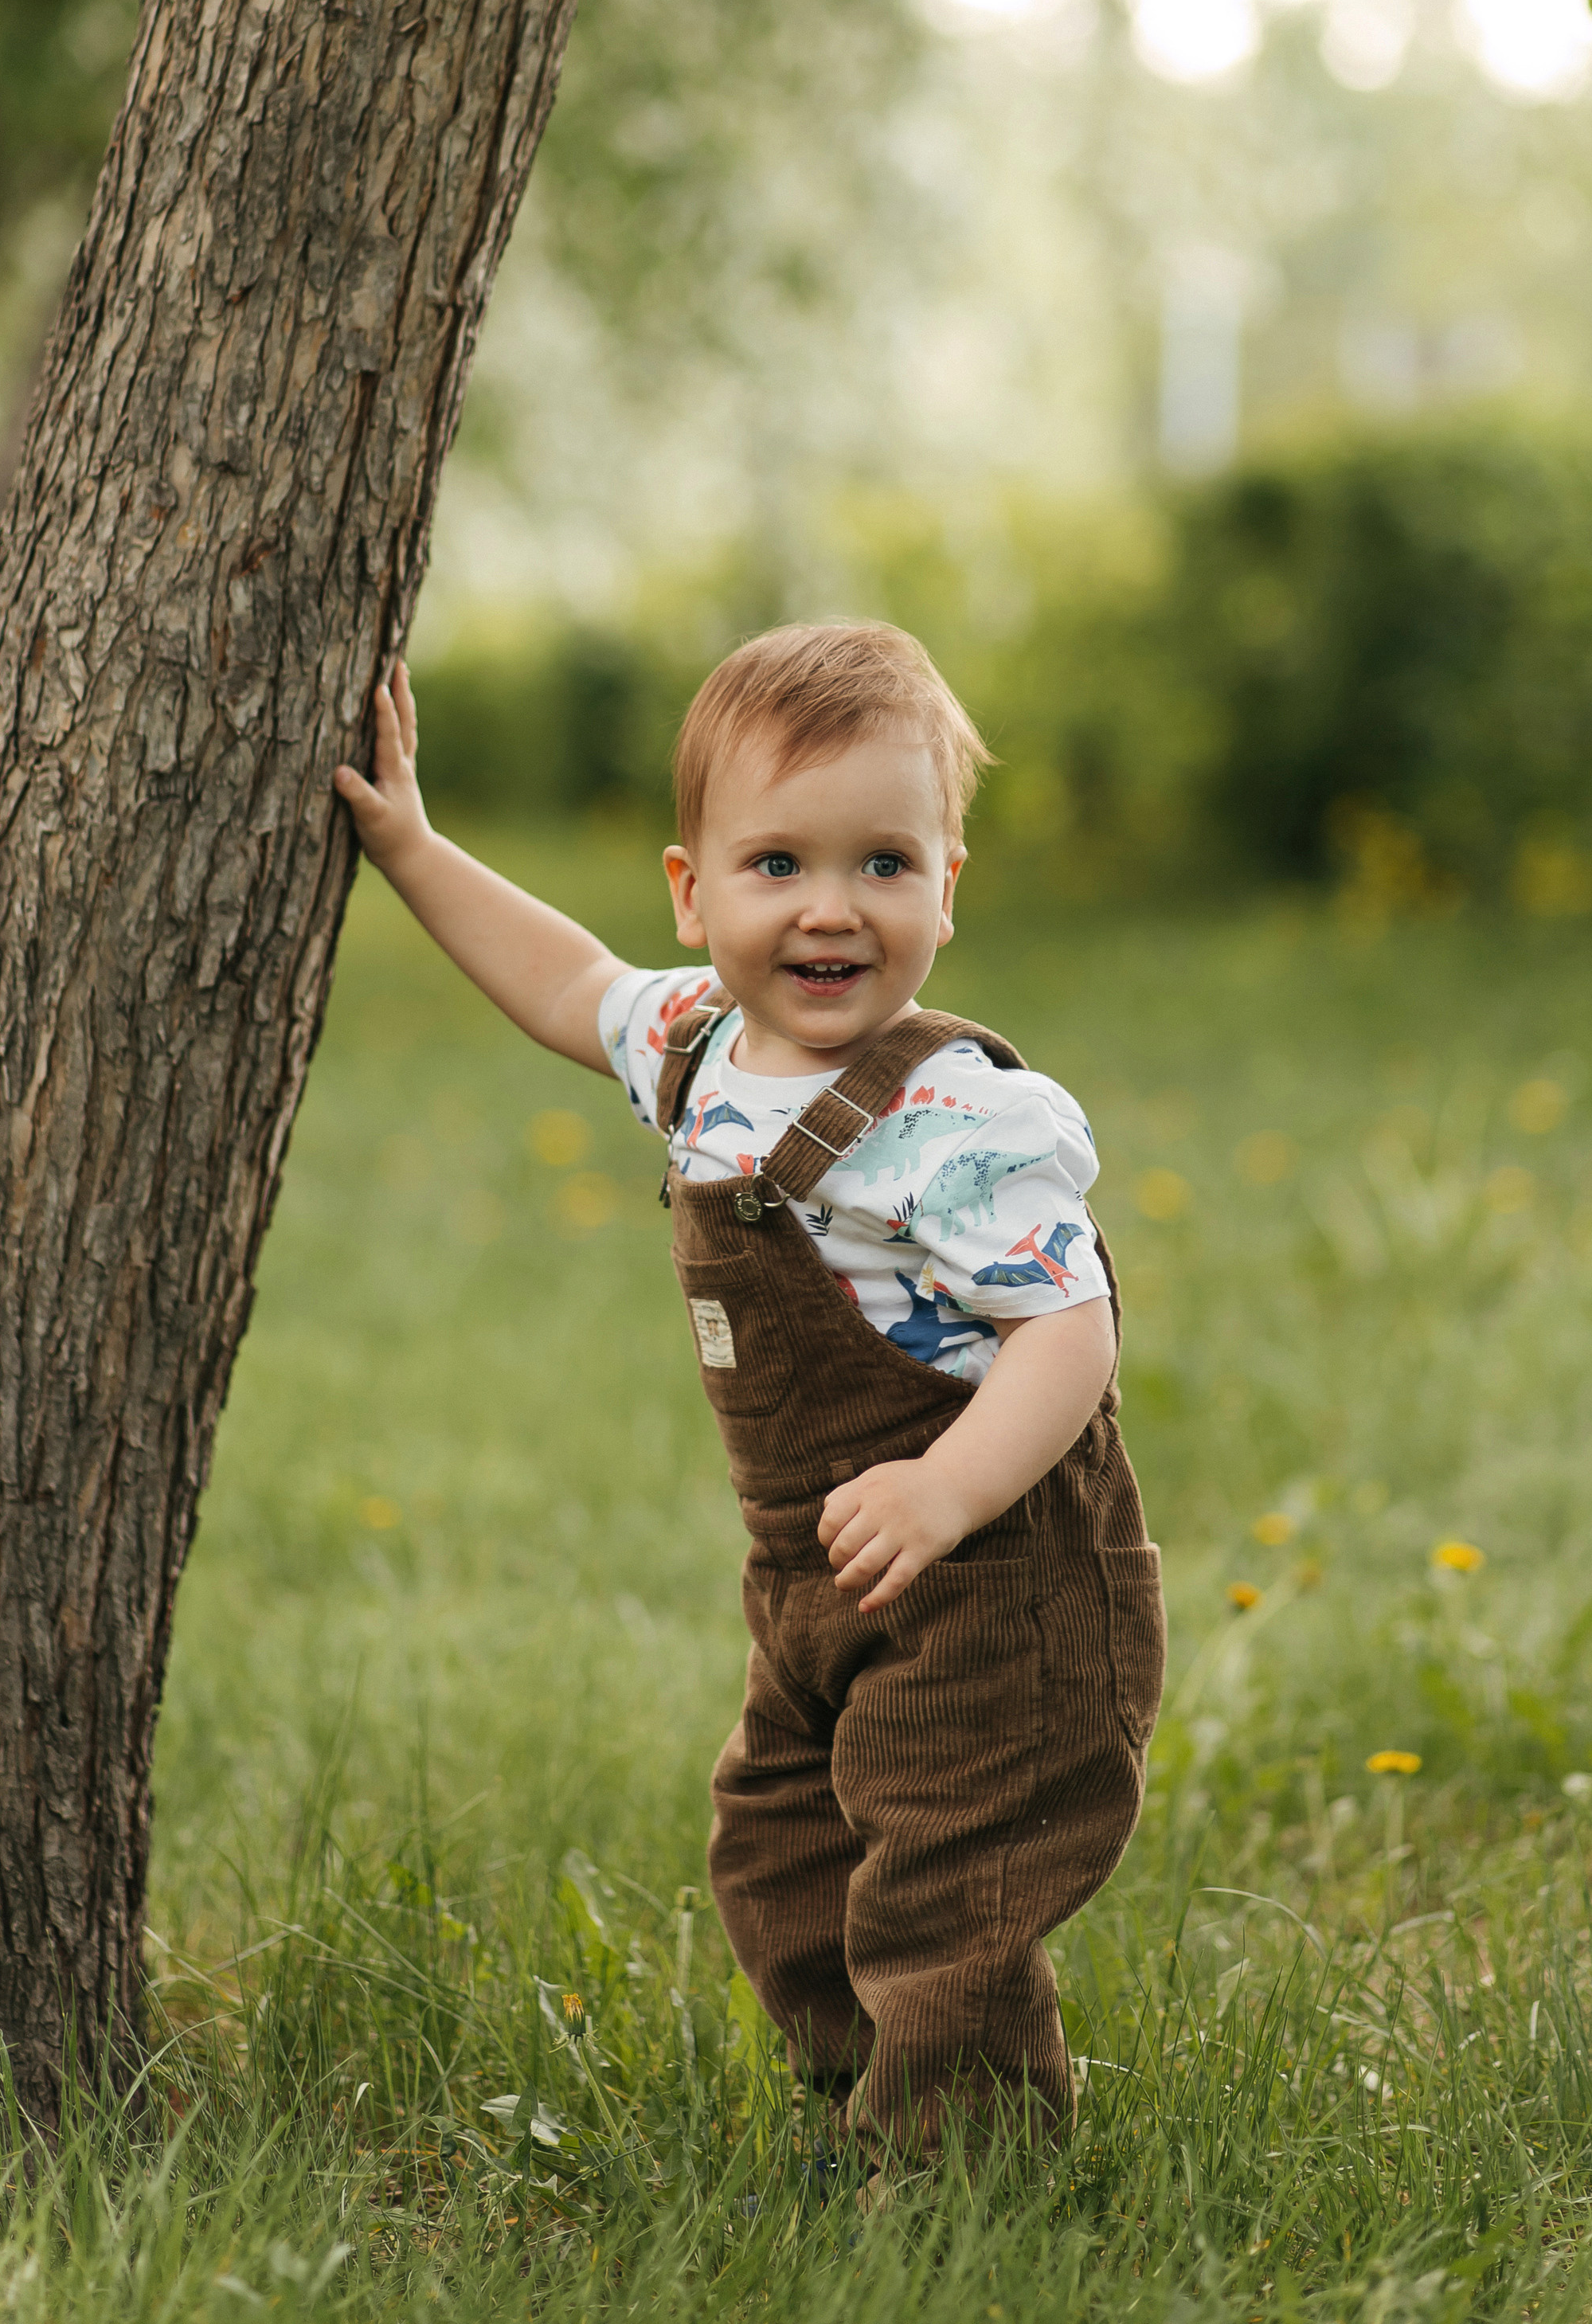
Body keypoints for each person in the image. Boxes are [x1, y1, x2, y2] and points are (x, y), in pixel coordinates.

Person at [334, 618, 1165, 2176]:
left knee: (945, 1878)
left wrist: (950, 1489)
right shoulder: (700, 1046)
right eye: (776, 865)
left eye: (884, 866)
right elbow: (563, 982)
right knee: (780, 1845)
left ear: (945, 888)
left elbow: (1069, 1329)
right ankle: (870, 2104)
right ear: (691, 890)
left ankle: (964, 2182)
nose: (830, 910)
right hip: (812, 1576)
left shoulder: (959, 1115)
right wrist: (410, 846)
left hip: (996, 1588)